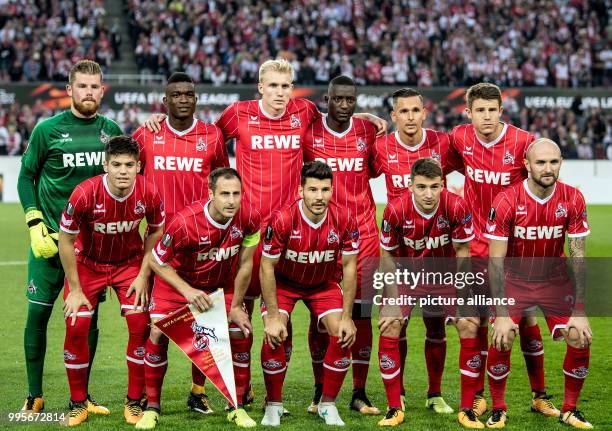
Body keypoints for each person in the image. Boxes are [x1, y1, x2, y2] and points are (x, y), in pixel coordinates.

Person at [146, 59, 386, 409]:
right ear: (260, 87)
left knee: (299, 311)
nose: (279, 93)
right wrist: (159, 120)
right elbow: (205, 137)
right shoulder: (237, 114)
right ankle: (219, 391)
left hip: (289, 234)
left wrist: (365, 120)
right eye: (272, 86)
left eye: (285, 86)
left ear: (292, 89)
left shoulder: (303, 112)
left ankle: (314, 390)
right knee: (234, 313)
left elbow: (337, 119)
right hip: (243, 233)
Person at [450, 83, 558, 427]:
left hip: (513, 250)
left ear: (501, 111)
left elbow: (544, 177)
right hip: (474, 247)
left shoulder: (522, 142)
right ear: (468, 113)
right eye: (479, 110)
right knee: (474, 320)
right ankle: (479, 398)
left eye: (492, 109)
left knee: (523, 319)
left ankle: (539, 396)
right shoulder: (460, 138)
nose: (486, 116)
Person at [17, 59, 122, 414]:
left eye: (95, 87)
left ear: (102, 91)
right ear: (69, 91)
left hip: (90, 250)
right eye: (82, 86)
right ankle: (34, 394)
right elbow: (25, 177)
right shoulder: (46, 130)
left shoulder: (111, 130)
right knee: (38, 317)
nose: (89, 92)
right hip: (48, 242)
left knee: (86, 320)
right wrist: (34, 223)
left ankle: (84, 395)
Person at [133, 71, 229, 414]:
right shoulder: (147, 134)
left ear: (196, 98)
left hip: (203, 245)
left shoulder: (213, 136)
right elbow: (129, 173)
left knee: (202, 322)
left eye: (189, 94)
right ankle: (147, 395)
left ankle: (197, 390)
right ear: (165, 101)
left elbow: (221, 182)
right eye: (176, 94)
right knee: (152, 324)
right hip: (158, 244)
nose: (183, 99)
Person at [135, 167, 261, 430]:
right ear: (211, 193)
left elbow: (245, 265)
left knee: (241, 331)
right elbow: (157, 262)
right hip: (177, 287)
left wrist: (237, 306)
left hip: (217, 286)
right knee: (157, 333)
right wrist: (187, 292)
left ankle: (234, 406)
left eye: (236, 194)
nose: (231, 200)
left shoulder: (249, 217)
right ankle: (153, 407)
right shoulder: (184, 221)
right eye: (224, 194)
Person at [484, 139, 592, 429]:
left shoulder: (573, 198)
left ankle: (570, 409)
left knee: (580, 336)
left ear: (561, 163)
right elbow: (495, 261)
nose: (548, 168)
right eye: (541, 162)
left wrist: (580, 309)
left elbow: (578, 256)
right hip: (514, 280)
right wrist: (502, 315)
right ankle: (498, 408)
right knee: (502, 336)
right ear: (526, 165)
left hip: (554, 280)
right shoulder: (506, 200)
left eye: (553, 162)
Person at [58, 136, 164, 425]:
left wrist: (144, 274)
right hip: (87, 265)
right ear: (106, 165)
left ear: (139, 166)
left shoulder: (149, 193)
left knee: (139, 323)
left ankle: (133, 402)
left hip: (128, 265)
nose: (122, 171)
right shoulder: (84, 193)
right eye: (116, 164)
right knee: (77, 323)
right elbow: (66, 240)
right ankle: (78, 402)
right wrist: (75, 289)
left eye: (129, 165)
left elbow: (155, 232)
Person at [371, 88, 463, 414]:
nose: (410, 117)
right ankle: (400, 395)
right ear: (393, 116)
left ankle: (435, 393)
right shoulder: (380, 147)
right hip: (402, 257)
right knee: (396, 324)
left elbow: (473, 166)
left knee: (437, 327)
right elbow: (356, 173)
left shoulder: (443, 143)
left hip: (440, 256)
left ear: (425, 113)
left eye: (415, 110)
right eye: (403, 111)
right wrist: (366, 119)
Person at [377, 158, 480, 427]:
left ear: (442, 185)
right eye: (421, 187)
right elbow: (386, 255)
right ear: (410, 186)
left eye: (434, 187)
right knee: (390, 324)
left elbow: (462, 253)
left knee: (468, 324)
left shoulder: (456, 206)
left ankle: (460, 406)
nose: (428, 194)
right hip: (406, 275)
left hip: (444, 276)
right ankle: (393, 405)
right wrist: (389, 300)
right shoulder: (395, 210)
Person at [258, 161, 359, 426]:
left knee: (342, 333)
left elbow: (349, 267)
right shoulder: (282, 219)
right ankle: (273, 405)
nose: (319, 196)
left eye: (325, 190)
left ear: (332, 191)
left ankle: (327, 405)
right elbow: (266, 266)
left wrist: (348, 316)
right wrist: (273, 316)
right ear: (300, 190)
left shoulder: (345, 218)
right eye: (312, 189)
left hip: (322, 284)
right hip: (284, 284)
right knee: (276, 335)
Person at [303, 75, 380, 415]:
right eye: (339, 99)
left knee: (362, 315)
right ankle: (320, 389)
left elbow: (377, 170)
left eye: (351, 100)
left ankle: (359, 392)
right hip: (321, 240)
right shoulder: (309, 131)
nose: (345, 106)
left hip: (363, 239)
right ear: (327, 98)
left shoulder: (367, 133)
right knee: (320, 315)